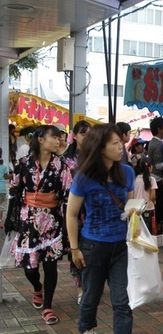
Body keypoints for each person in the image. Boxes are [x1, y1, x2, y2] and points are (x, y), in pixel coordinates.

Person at [66, 124, 144, 334]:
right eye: (114, 144)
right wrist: (75, 248)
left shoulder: (128, 172)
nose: (120, 147)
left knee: (123, 300)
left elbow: (130, 205)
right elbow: (71, 213)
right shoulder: (84, 176)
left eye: (120, 143)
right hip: (92, 245)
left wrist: (135, 214)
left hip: (121, 246)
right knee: (92, 294)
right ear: (100, 148)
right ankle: (86, 328)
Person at [10, 125, 73, 325]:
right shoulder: (24, 163)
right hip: (28, 221)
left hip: (52, 222)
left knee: (50, 265)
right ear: (40, 139)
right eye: (54, 137)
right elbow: (14, 189)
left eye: (60, 138)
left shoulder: (63, 166)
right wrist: (10, 217)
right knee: (30, 268)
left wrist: (65, 224)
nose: (58, 141)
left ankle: (48, 306)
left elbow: (67, 195)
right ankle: (37, 287)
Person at [63, 119, 90, 304]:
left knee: (89, 249)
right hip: (73, 209)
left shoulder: (96, 157)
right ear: (74, 136)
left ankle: (88, 284)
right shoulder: (66, 159)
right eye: (83, 134)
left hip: (92, 210)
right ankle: (80, 287)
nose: (86, 137)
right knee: (74, 248)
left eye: (89, 134)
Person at [148, 116, 163, 233]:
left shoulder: (156, 142)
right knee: (159, 208)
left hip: (156, 178)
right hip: (158, 179)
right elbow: (159, 165)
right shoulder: (157, 144)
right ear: (159, 128)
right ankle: (156, 230)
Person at [134, 156, 157, 233]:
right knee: (148, 231)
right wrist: (154, 202)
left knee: (138, 231)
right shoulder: (151, 179)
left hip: (136, 209)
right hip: (148, 208)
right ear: (149, 167)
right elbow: (153, 196)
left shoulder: (135, 179)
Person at [0, 152, 12, 229]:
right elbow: (6, 177)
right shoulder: (4, 165)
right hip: (2, 189)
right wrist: (13, 174)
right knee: (1, 207)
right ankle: (0, 222)